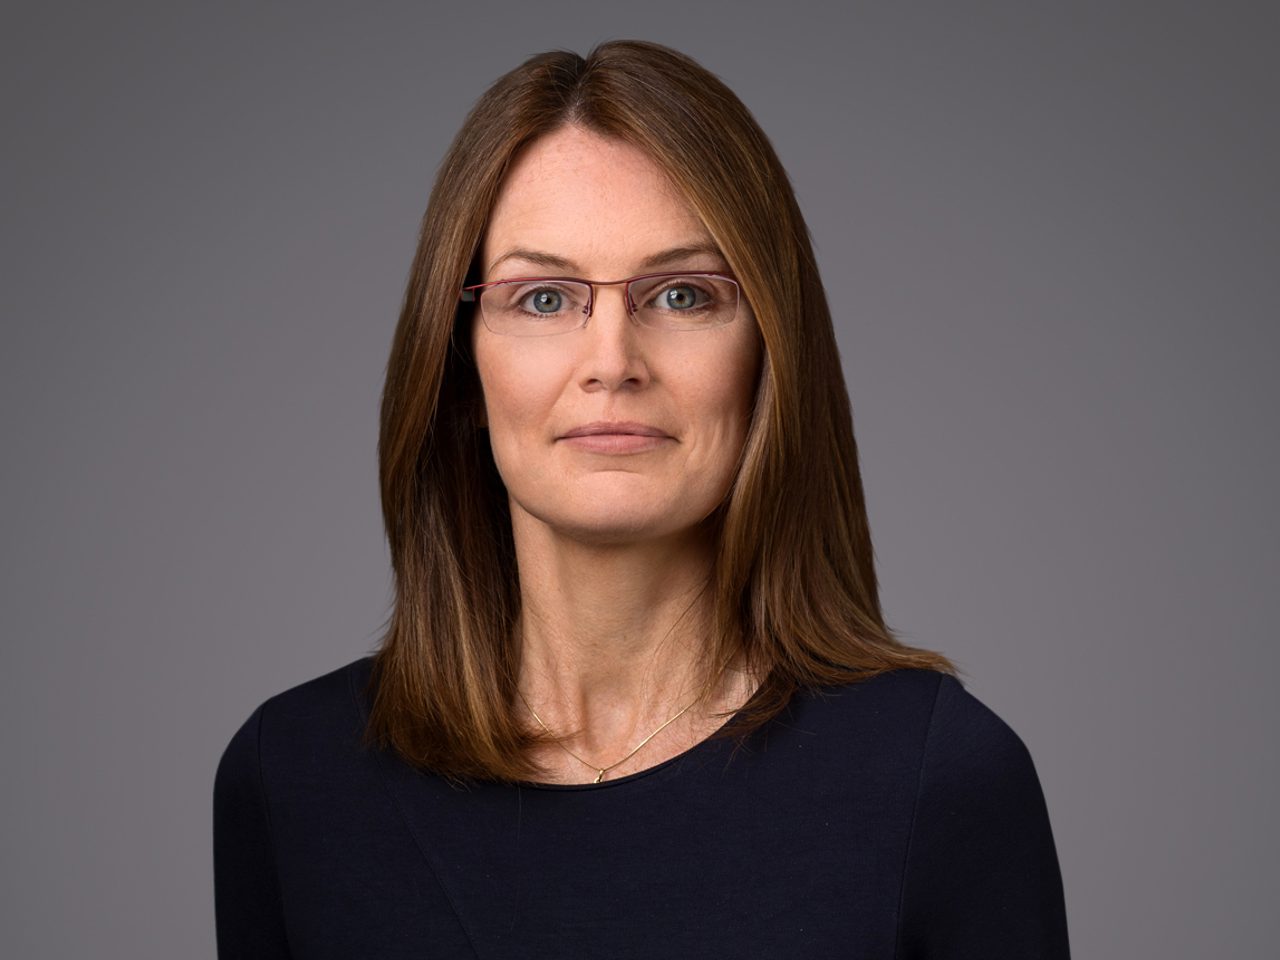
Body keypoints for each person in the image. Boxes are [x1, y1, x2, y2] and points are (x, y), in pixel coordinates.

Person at [213, 40, 1071, 959]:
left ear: (768, 355)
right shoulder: (294, 777)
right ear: (461, 365)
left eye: (682, 295)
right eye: (544, 298)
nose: (612, 362)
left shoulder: (939, 779)